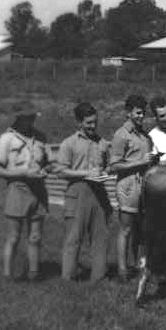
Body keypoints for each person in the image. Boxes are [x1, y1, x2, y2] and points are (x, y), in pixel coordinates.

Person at [54, 102, 112, 283]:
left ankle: (98, 279)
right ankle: (67, 279)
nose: (93, 126)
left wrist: (106, 172)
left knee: (100, 237)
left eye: (94, 122)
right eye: (88, 123)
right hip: (77, 192)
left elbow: (109, 166)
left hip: (99, 192)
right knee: (73, 237)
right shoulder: (68, 143)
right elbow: (61, 171)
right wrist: (86, 173)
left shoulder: (103, 143)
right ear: (79, 122)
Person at [0, 106, 49, 281]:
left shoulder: (40, 137)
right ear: (18, 118)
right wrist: (23, 173)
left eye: (33, 117)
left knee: (35, 235)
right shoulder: (7, 138)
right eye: (27, 117)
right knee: (14, 236)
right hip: (17, 188)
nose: (31, 121)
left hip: (38, 189)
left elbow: (47, 163)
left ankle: (34, 275)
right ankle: (8, 277)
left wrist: (45, 170)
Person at [108, 94, 156, 282]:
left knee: (143, 229)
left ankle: (140, 266)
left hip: (145, 185)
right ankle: (122, 270)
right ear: (128, 113)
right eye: (137, 112)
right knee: (126, 229)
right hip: (128, 186)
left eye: (143, 112)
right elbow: (113, 166)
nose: (140, 116)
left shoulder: (144, 135)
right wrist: (140, 162)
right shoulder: (121, 135)